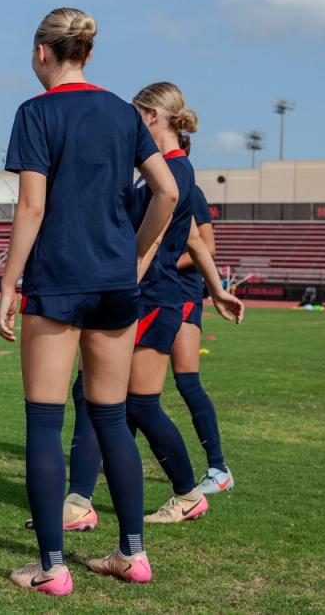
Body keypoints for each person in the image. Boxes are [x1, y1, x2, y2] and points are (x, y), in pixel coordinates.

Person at [0, 8, 180, 595]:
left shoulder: (35, 111)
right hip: (114, 283)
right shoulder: (124, 112)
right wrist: (137, 253)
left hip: (57, 280)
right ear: (89, 55)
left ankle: (52, 568)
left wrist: (8, 280)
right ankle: (133, 554)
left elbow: (30, 207)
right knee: (110, 418)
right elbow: (168, 191)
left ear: (42, 53)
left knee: (46, 422)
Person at [62, 83, 244, 533]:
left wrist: (121, 289)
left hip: (152, 299)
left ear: (149, 117)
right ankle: (79, 500)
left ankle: (185, 493)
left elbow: (163, 240)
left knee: (136, 403)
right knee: (94, 394)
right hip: (144, 296)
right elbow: (196, 242)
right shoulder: (155, 171)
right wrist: (217, 290)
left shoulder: (176, 174)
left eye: (132, 115)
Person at [173, 185, 234, 493]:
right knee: (133, 386)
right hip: (154, 294)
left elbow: (206, 247)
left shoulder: (187, 189)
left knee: (187, 381)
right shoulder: (147, 184)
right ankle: (116, 454)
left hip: (180, 294)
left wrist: (165, 262)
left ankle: (219, 468)